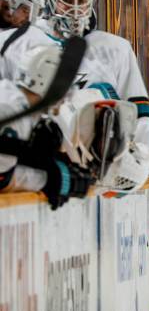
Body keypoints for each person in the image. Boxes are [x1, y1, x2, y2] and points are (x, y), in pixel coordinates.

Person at [0, 0, 149, 153]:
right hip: (38, 152)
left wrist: (144, 149)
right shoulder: (16, 42)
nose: (74, 9)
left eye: (80, 2)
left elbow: (136, 104)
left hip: (101, 155)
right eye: (66, 0)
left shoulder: (114, 47)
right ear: (50, 3)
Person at [0, 45, 94, 209]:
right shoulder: (13, 113)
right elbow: (2, 178)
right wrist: (46, 179)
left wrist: (47, 167)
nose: (64, 99)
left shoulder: (14, 100)